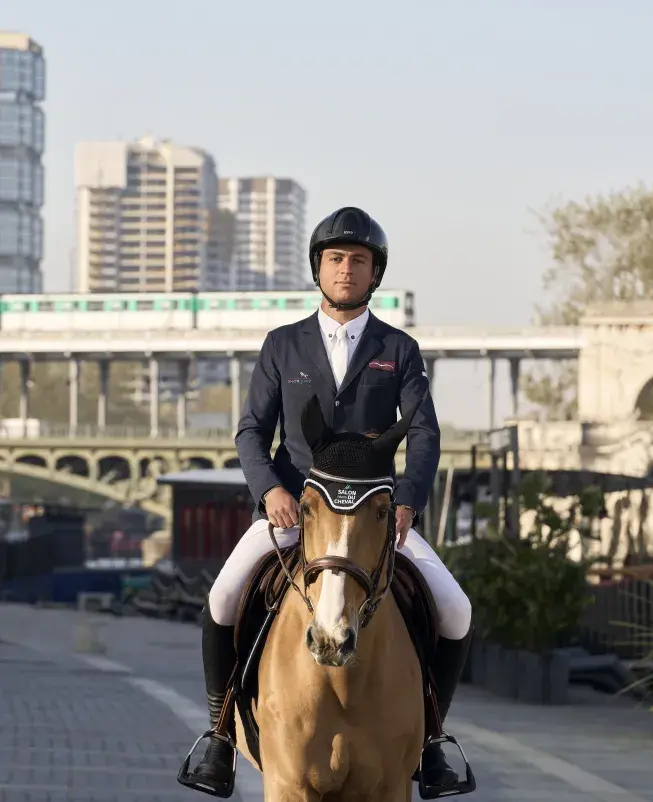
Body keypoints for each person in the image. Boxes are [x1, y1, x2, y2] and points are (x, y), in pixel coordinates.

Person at [191, 207, 473, 794]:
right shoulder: (282, 346)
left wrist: (407, 502)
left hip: (373, 516)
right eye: (337, 259)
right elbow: (251, 432)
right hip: (295, 512)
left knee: (456, 610)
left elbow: (423, 432)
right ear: (319, 268)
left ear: (376, 274)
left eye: (359, 261)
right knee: (221, 598)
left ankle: (431, 742)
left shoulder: (398, 349)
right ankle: (219, 735)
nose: (347, 270)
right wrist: (270, 489)